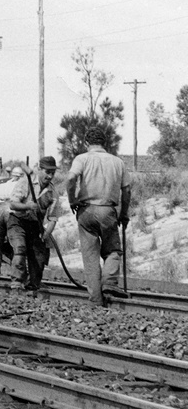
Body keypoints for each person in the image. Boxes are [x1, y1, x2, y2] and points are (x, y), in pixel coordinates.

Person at [65, 127, 131, 306]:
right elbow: (127, 190)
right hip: (108, 210)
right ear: (105, 143)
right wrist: (124, 214)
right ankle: (109, 282)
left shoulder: (82, 158)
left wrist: (72, 200)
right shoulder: (118, 162)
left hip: (85, 211)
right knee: (113, 251)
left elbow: (70, 179)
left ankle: (96, 301)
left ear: (86, 142)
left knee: (90, 258)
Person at [7, 157, 60, 292]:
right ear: (39, 170)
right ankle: (16, 284)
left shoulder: (53, 192)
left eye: (53, 173)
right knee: (20, 249)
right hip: (17, 221)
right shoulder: (25, 182)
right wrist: (27, 206)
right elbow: (12, 204)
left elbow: (53, 218)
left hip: (35, 225)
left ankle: (33, 286)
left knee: (39, 255)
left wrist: (46, 234)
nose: (50, 176)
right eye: (47, 172)